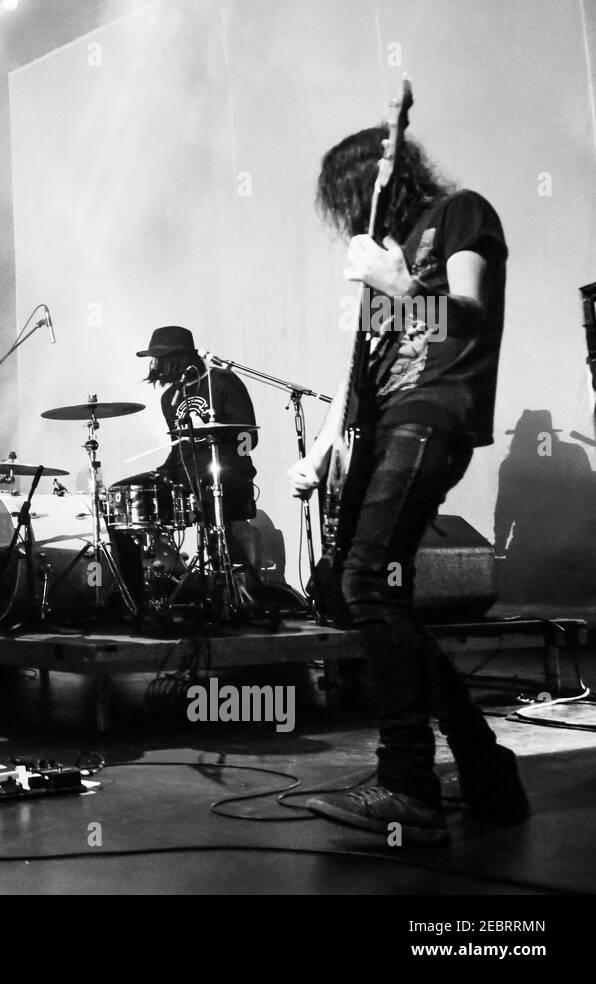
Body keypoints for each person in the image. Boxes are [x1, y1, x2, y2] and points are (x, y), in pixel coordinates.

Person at [288, 127, 527, 843]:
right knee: (363, 589)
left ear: (378, 184)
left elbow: (470, 316)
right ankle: (485, 767)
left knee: (365, 582)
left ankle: (409, 785)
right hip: (388, 424)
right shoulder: (383, 260)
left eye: (350, 199)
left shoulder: (461, 214)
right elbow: (360, 371)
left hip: (435, 414)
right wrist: (326, 445)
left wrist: (399, 284)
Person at [138, 325, 260, 570]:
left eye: (158, 360)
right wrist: (164, 471)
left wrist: (226, 458)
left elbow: (248, 438)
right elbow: (179, 446)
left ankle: (234, 577)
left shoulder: (222, 381)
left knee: (208, 496)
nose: (155, 366)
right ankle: (159, 577)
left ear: (177, 358)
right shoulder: (170, 398)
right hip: (188, 479)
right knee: (134, 493)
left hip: (226, 478)